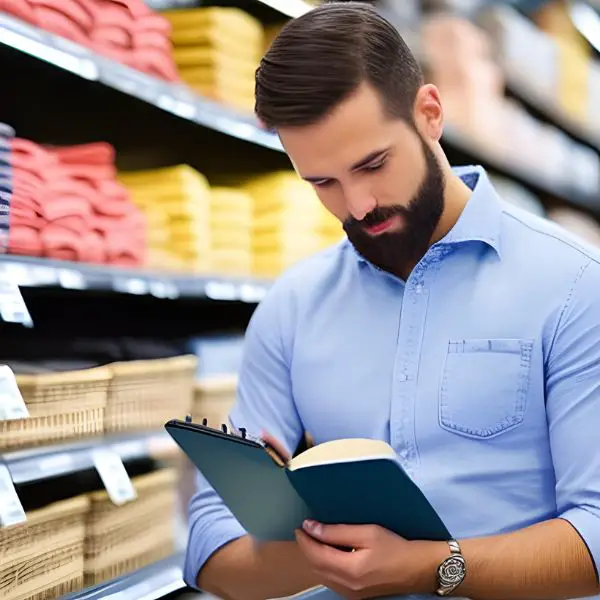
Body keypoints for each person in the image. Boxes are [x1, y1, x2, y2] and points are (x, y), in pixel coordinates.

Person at [183, 2, 600, 599]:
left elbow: (597, 532)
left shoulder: (576, 285)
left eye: (373, 164)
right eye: (322, 182)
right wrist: (328, 550)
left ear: (429, 113)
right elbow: (207, 544)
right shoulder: (292, 307)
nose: (357, 205)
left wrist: (429, 566)